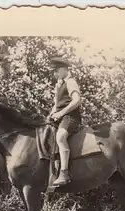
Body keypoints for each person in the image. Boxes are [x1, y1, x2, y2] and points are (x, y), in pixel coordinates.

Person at [47, 56, 83, 187]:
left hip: (71, 117)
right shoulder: (59, 85)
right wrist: (51, 114)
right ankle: (52, 171)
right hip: (60, 117)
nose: (54, 74)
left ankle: (64, 173)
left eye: (56, 70)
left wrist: (61, 113)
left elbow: (77, 100)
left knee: (61, 137)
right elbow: (56, 105)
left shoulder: (70, 82)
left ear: (63, 69)